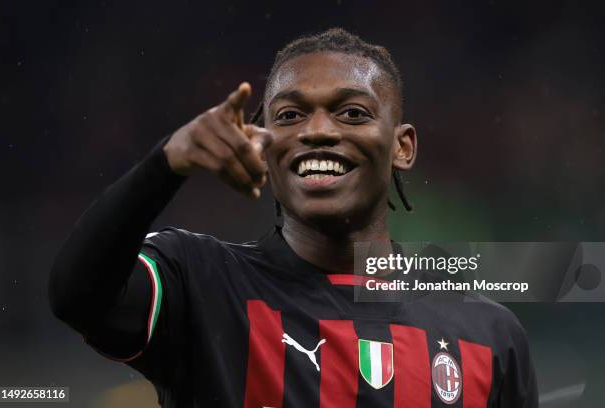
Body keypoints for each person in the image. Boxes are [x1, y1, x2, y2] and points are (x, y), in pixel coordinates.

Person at [49, 28, 538, 407]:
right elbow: (77, 296)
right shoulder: (200, 283)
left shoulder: (487, 335)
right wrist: (166, 163)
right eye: (288, 115)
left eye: (351, 113)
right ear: (262, 146)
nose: (318, 131)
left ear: (402, 147)